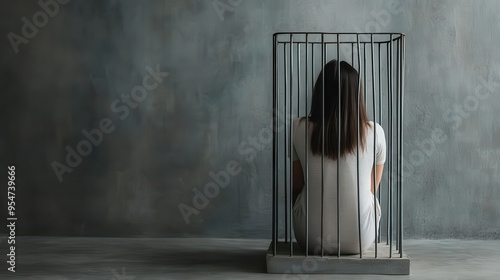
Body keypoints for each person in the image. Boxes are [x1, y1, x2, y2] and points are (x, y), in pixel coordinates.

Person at [292, 59, 386, 255]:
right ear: (356, 95)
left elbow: (298, 185)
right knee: (370, 198)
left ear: (319, 93)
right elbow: (370, 188)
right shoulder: (376, 132)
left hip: (310, 239)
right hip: (360, 239)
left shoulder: (297, 128)